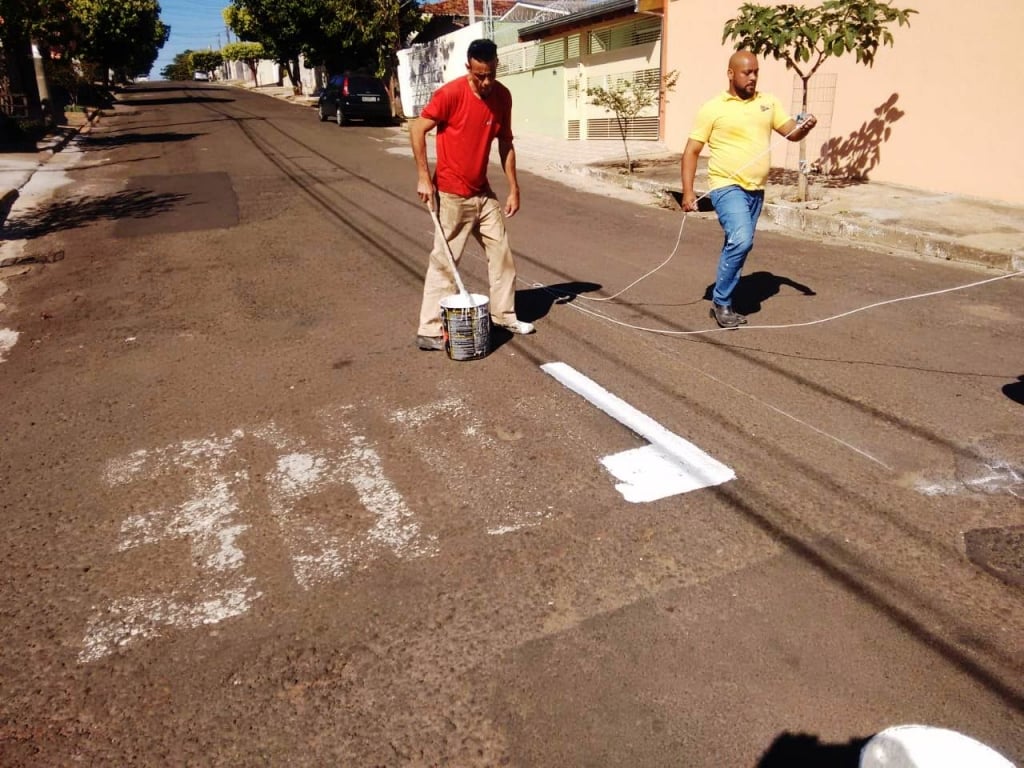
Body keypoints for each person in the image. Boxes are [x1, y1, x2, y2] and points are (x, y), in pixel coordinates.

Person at [410, 38, 534, 351]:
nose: (486, 81)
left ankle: (503, 314)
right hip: (452, 193)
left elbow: (505, 143)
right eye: (480, 75)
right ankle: (429, 330)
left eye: (491, 73)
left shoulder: (502, 97)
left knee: (502, 254)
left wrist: (514, 188)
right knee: (445, 261)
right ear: (469, 68)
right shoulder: (451, 94)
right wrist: (425, 177)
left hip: (483, 192)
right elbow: (416, 129)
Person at [681, 50, 818, 328]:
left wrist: (806, 126)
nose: (753, 77)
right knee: (742, 240)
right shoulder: (713, 108)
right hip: (725, 185)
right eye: (747, 72)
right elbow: (691, 151)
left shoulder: (768, 103)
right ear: (731, 74)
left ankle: (725, 294)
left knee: (737, 243)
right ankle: (721, 301)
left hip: (756, 190)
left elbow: (792, 133)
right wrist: (688, 191)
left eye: (756, 71)